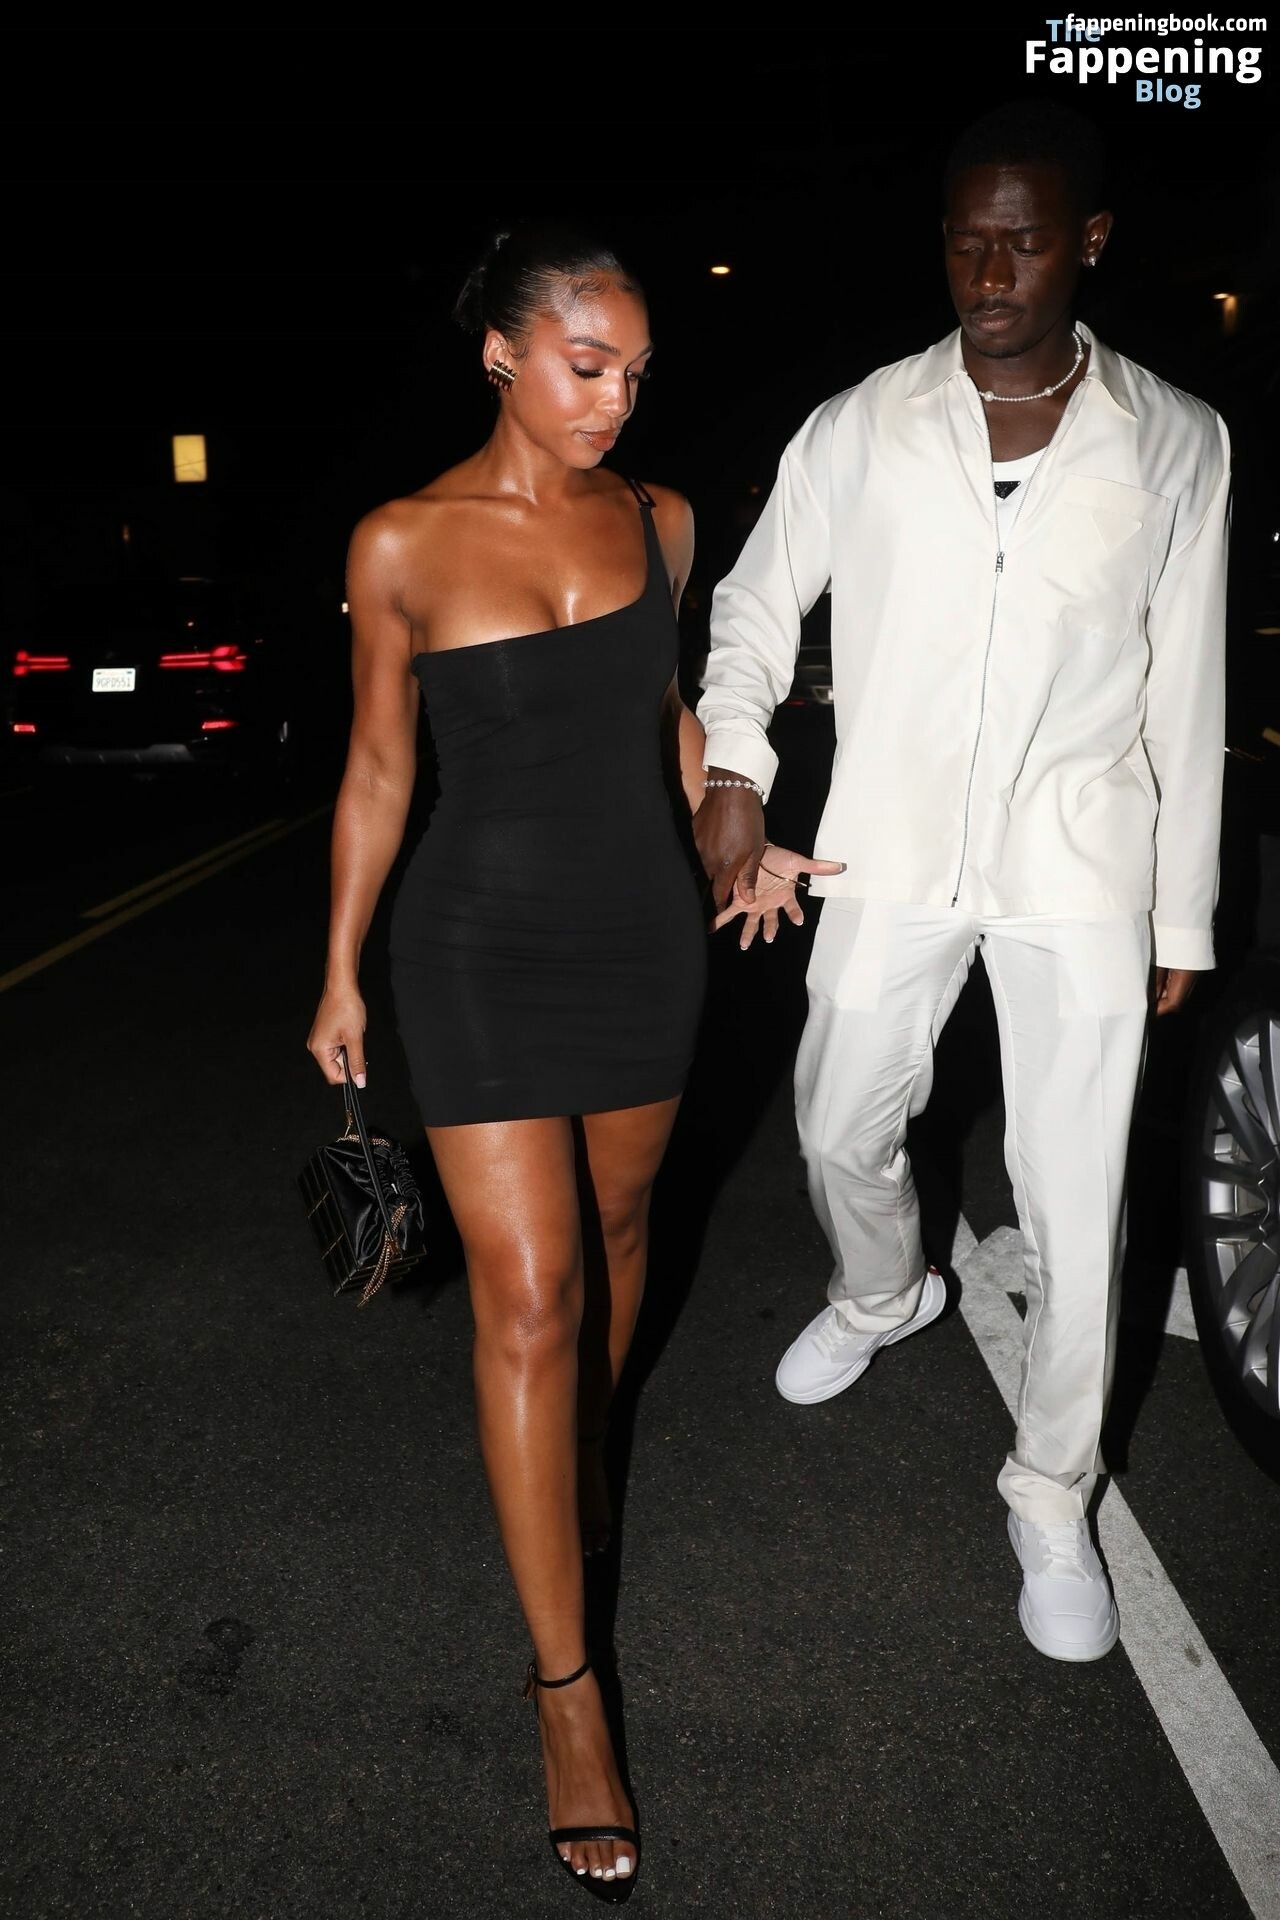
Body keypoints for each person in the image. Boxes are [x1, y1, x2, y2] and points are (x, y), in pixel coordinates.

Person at [305, 218, 838, 1899]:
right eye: (586, 364)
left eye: (635, 373)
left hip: (641, 943)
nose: (614, 399)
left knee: (614, 1247)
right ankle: (568, 1695)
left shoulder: (660, 521)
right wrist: (339, 968)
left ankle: (575, 1467)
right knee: (528, 1297)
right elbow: (379, 769)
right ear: (500, 353)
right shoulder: (402, 540)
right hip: (472, 949)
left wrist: (734, 832)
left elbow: (667, 720)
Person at [698, 101, 1230, 1664]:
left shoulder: (1177, 438)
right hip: (889, 835)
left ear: (1090, 244)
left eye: (1025, 240)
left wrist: (1181, 910)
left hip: (1083, 852)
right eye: (965, 241)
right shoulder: (862, 424)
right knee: (835, 1117)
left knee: (1077, 1191)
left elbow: (1186, 686)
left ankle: (1053, 1488)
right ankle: (884, 1294)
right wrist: (735, 770)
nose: (990, 272)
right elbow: (754, 603)